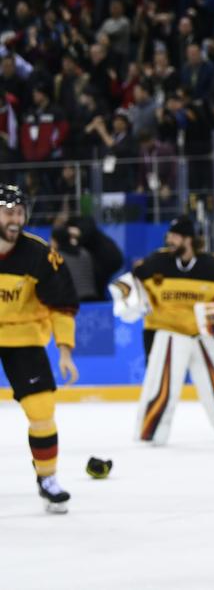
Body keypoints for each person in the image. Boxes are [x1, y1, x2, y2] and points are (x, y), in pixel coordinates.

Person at [116, 216, 214, 445]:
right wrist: (133, 305)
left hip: (202, 336)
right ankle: (151, 431)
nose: (169, 239)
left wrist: (212, 319)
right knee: (159, 386)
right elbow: (125, 289)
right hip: (166, 333)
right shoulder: (155, 263)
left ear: (189, 239)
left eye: (174, 236)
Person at [0, 184, 79, 514]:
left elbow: (62, 304)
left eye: (19, 212)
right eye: (7, 212)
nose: (14, 219)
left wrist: (64, 350)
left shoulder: (39, 254)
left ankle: (47, 479)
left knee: (42, 410)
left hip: (24, 339)